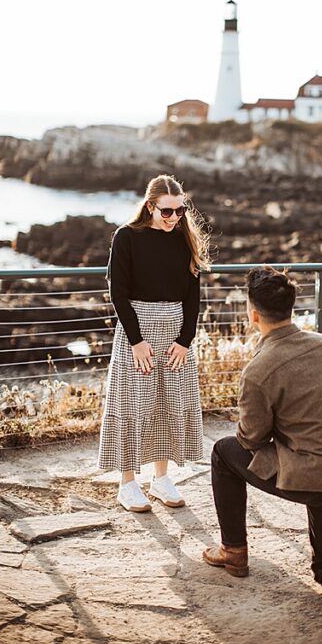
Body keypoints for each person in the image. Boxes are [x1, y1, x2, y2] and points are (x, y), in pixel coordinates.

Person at [203, 266, 322, 644]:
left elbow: (250, 438)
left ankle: (234, 552)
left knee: (224, 452)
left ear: (253, 314)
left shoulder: (259, 370)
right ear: (292, 306)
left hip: (310, 475)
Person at [98, 174, 210, 513]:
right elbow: (118, 292)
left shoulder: (184, 239)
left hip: (175, 333)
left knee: (166, 404)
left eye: (180, 211)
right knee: (133, 406)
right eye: (167, 211)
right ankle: (128, 483)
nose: (175, 218)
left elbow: (193, 295)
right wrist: (136, 341)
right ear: (150, 206)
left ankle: (161, 479)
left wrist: (185, 340)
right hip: (138, 332)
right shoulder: (126, 237)